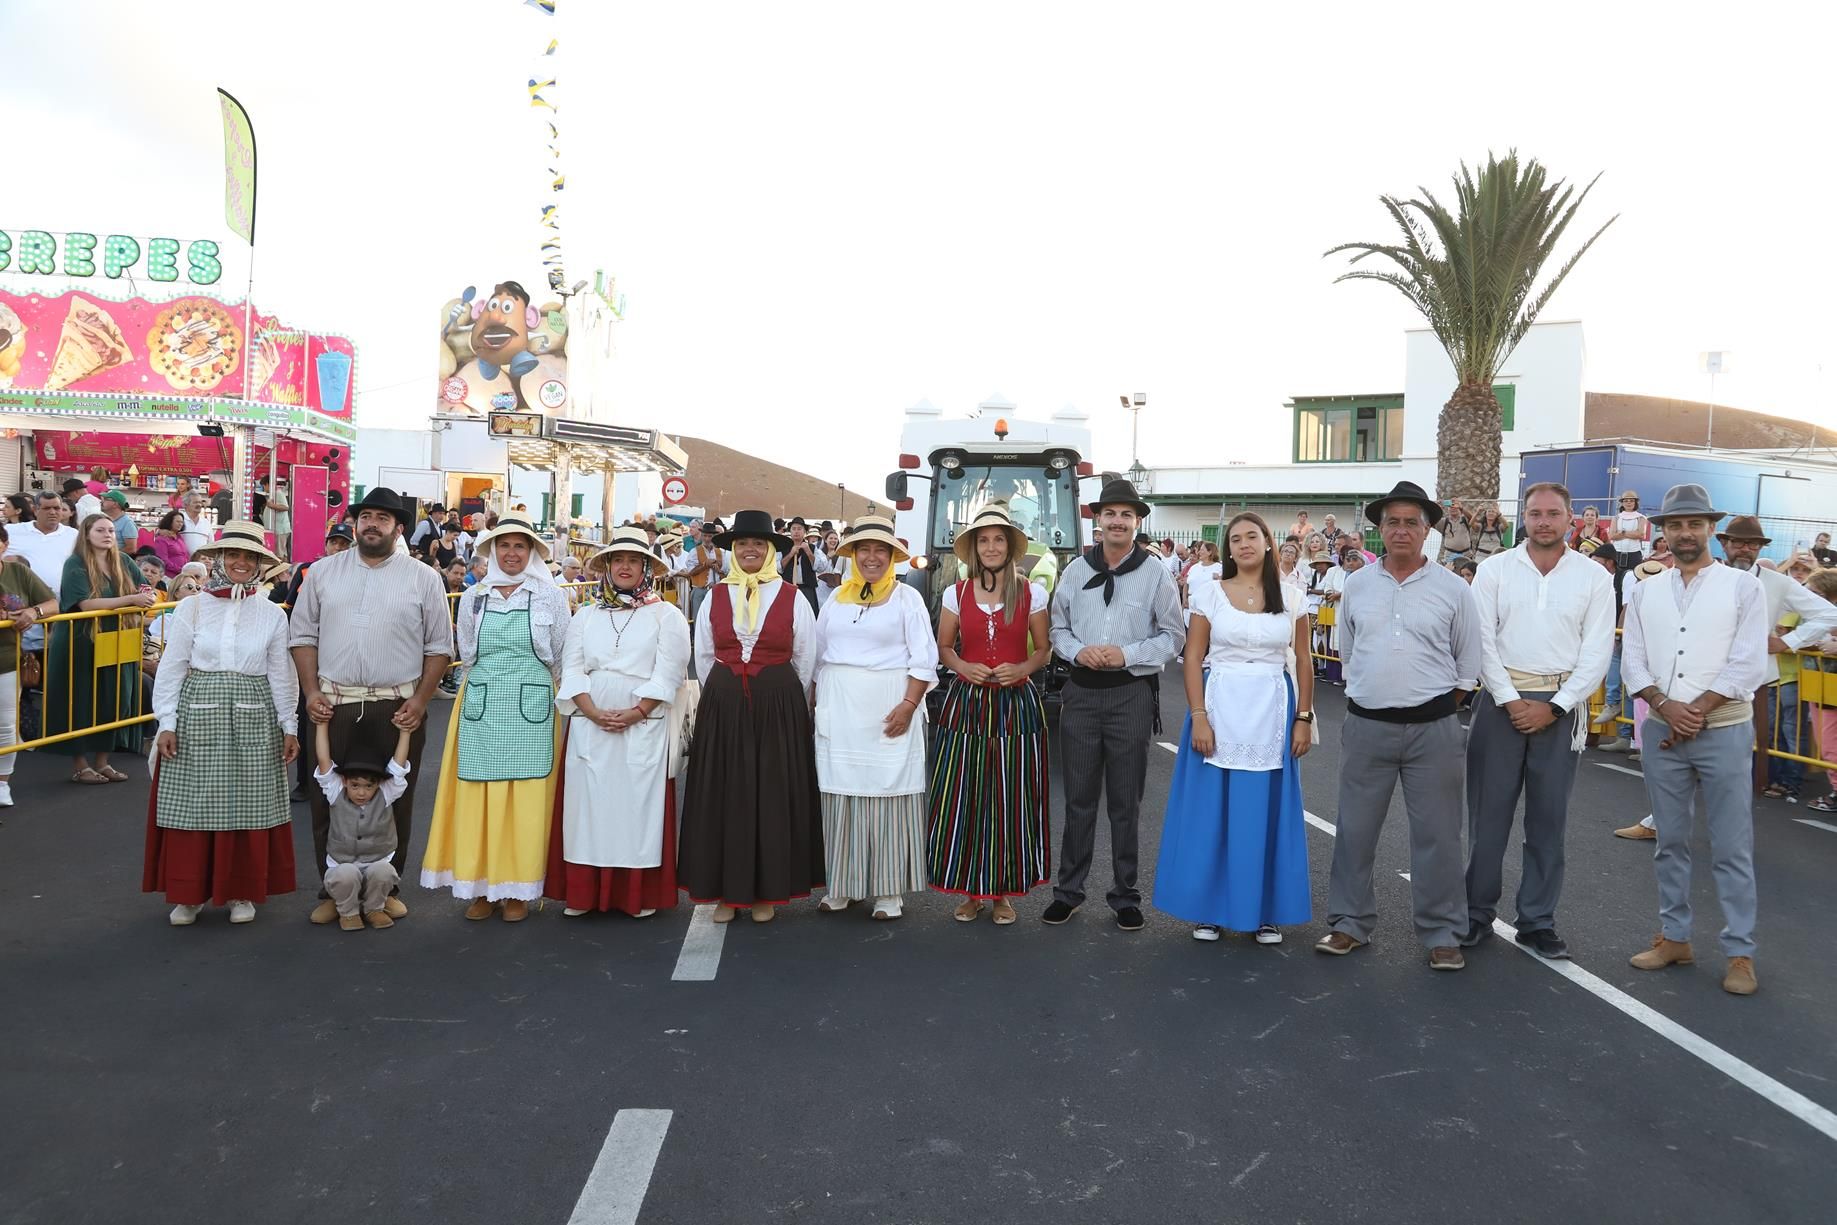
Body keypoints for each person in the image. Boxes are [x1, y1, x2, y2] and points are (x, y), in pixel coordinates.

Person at [1317, 481, 1480, 970]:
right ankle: (1348, 924)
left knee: (1439, 835)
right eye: (1393, 521)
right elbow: (1349, 652)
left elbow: (1467, 664)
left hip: (1434, 731)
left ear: (1427, 530)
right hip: (1367, 727)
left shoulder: (1453, 588)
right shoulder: (1357, 585)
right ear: (1379, 529)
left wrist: (1429, 708)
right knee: (1354, 831)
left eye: (1412, 521)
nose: (1402, 529)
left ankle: (1443, 932)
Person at [1619, 484, 1767, 995]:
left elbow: (1747, 661)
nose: (1685, 533)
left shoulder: (1744, 587)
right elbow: (1633, 659)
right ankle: (1675, 938)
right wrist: (1665, 707)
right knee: (1671, 842)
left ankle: (1740, 952)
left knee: (1731, 846)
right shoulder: (1644, 589)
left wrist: (1696, 711)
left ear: (1710, 529)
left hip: (1722, 730)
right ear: (1663, 531)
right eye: (1676, 525)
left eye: (1695, 524)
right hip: (1664, 728)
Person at [1461, 483, 1614, 961]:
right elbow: (1480, 640)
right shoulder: (1494, 569)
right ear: (1521, 518)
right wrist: (1510, 700)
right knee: (1488, 820)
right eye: (1534, 513)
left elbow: (1597, 651)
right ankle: (1474, 913)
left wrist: (1556, 705)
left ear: (1571, 518)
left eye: (1553, 513)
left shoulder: (1593, 576)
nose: (1543, 521)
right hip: (1500, 704)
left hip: (1560, 709)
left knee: (1548, 822)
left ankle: (1537, 921)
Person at [290, 487, 452, 925]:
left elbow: (439, 647)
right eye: (366, 517)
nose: (372, 524)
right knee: (328, 800)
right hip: (334, 703)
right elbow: (302, 637)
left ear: (399, 528)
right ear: (356, 523)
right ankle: (333, 888)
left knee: (396, 799)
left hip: (397, 705)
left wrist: (420, 700)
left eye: (383, 518)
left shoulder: (424, 578)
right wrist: (310, 693)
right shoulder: (321, 573)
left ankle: (386, 887)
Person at [1154, 511, 1313, 944]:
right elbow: (1192, 657)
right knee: (1213, 812)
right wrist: (1198, 714)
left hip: (1272, 710)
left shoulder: (1293, 596)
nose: (1244, 544)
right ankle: (1209, 909)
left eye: (1252, 536)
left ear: (1267, 542)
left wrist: (1304, 717)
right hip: (1219, 704)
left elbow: (1302, 660)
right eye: (1236, 538)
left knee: (1265, 815)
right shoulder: (1209, 593)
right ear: (1228, 548)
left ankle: (1265, 911)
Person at [1043, 479, 1184, 931]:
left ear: (1137, 521)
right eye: (1110, 514)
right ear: (1098, 520)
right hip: (1081, 694)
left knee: (1126, 802)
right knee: (1079, 799)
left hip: (1130, 694)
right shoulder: (1074, 571)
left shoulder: (1156, 573)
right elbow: (1056, 628)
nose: (1118, 521)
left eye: (1127, 514)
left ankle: (1125, 894)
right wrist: (1077, 651)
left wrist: (1128, 654)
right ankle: (1069, 891)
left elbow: (1173, 635)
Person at [142, 523, 300, 926]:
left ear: (262, 564)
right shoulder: (191, 607)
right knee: (192, 803)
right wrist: (167, 721)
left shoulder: (271, 615)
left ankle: (241, 892)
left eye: (250, 557)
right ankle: (188, 893)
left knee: (248, 803)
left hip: (253, 712)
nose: (241, 563)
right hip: (197, 713)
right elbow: (173, 666)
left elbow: (281, 673)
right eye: (234, 555)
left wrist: (289, 724)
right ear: (219, 559)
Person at [420, 511, 569, 921]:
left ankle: (519, 890)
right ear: (492, 550)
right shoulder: (474, 596)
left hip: (533, 704)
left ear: (532, 552)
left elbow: (560, 653)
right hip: (481, 702)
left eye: (520, 546)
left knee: (526, 797)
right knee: (477, 793)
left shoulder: (549, 596)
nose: (512, 553)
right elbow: (466, 651)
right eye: (504, 545)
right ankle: (481, 888)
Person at [679, 509, 824, 923]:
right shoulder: (715, 596)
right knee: (724, 796)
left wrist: (777, 695)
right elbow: (704, 655)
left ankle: (766, 891)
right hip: (725, 703)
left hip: (777, 703)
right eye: (742, 544)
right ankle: (726, 892)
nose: (750, 550)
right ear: (733, 550)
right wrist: (725, 694)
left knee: (772, 795)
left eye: (758, 544)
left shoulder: (793, 598)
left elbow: (805, 659)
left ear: (770, 551)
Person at [546, 526, 692, 918]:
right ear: (607, 566)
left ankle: (634, 896)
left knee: (635, 811)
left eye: (633, 560)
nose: (625, 567)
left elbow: (670, 672)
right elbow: (571, 666)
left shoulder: (667, 615)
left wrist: (638, 710)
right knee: (588, 808)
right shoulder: (586, 616)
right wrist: (590, 710)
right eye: (618, 560)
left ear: (646, 566)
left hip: (643, 725)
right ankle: (585, 893)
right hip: (590, 723)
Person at [926, 503, 1052, 924]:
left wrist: (1023, 667)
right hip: (968, 705)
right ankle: (971, 892)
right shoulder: (955, 594)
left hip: (1017, 706)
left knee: (1010, 798)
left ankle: (1003, 894)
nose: (992, 546)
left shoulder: (1031, 591)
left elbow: (1045, 648)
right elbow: (944, 646)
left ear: (1010, 547)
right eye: (984, 540)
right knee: (966, 796)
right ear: (975, 549)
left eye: (999, 539)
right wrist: (962, 666)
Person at [809, 517, 937, 921]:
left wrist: (909, 704)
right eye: (863, 549)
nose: (871, 557)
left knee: (889, 795)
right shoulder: (835, 599)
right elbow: (817, 657)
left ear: (893, 557)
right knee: (840, 794)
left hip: (889, 707)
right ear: (852, 555)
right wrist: (814, 704)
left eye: (880, 550)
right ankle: (843, 885)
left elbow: (924, 658)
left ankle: (887, 891)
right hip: (840, 709)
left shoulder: (906, 599)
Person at [1713, 516, 1837, 803]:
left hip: (1755, 684)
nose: (1746, 549)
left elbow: (1830, 613)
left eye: (1753, 544)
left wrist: (1787, 641)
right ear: (1724, 544)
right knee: (1696, 758)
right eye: (1739, 543)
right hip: (1702, 678)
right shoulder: (1706, 576)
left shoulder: (1777, 582)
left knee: (1750, 757)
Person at [46, 514, 156, 783]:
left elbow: (146, 587)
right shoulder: (76, 564)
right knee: (81, 699)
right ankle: (80, 764)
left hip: (117, 637)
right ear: (86, 533)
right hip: (82, 641)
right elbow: (84, 604)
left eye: (110, 530)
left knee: (114, 698)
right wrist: (131, 599)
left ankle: (103, 762)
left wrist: (146, 595)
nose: (108, 534)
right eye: (100, 530)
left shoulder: (124, 560)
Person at [316, 719, 414, 932]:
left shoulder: (386, 794)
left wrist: (405, 732)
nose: (361, 792)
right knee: (345, 875)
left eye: (368, 786)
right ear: (344, 781)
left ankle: (374, 907)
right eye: (355, 786)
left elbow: (398, 767)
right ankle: (347, 911)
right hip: (342, 863)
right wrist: (321, 725)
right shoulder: (335, 792)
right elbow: (323, 759)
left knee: (384, 871)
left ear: (378, 784)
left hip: (375, 860)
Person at [0, 524, 57, 808]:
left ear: (4, 545)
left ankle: (2, 783)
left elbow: (52, 604)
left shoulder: (18, 572)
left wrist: (33, 612)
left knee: (7, 724)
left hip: (8, 659)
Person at [779, 516, 830, 613]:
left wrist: (808, 551)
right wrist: (790, 554)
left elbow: (821, 567)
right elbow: (778, 568)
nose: (796, 531)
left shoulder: (812, 548)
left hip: (807, 589)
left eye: (799, 529)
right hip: (787, 589)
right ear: (790, 531)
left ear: (804, 532)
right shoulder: (783, 548)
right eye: (794, 529)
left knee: (808, 615)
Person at [681, 520, 726, 624]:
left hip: (716, 590)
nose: (706, 539)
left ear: (713, 537)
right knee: (698, 620)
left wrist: (718, 570)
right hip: (699, 590)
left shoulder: (721, 552)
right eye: (705, 536)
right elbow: (691, 572)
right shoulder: (694, 551)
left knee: (715, 619)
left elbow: (725, 574)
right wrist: (705, 564)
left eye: (709, 536)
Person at [1609, 490, 1649, 575]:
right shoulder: (1616, 518)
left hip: (1634, 554)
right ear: (1622, 503)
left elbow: (1641, 534)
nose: (1628, 503)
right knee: (1615, 577)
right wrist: (1633, 534)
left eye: (1631, 501)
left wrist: (1622, 533)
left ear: (1635, 503)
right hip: (1617, 552)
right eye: (1626, 501)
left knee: (1634, 577)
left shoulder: (1641, 518)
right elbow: (1612, 536)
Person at [178, 491, 212, 556]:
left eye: (200, 502)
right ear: (185, 505)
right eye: (195, 502)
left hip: (201, 563)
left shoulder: (206, 522)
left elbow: (211, 544)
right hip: (182, 563)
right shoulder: (179, 520)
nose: (199, 505)